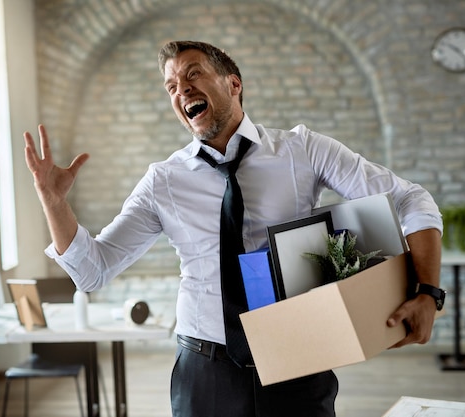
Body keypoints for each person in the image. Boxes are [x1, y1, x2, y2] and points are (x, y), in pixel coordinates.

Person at [24, 40, 443, 417]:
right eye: (171, 86)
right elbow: (93, 270)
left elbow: (411, 199)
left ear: (233, 84)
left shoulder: (302, 150)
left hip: (299, 354)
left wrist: (427, 292)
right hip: (205, 370)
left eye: (193, 75)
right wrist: (55, 204)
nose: (181, 90)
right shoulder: (163, 180)